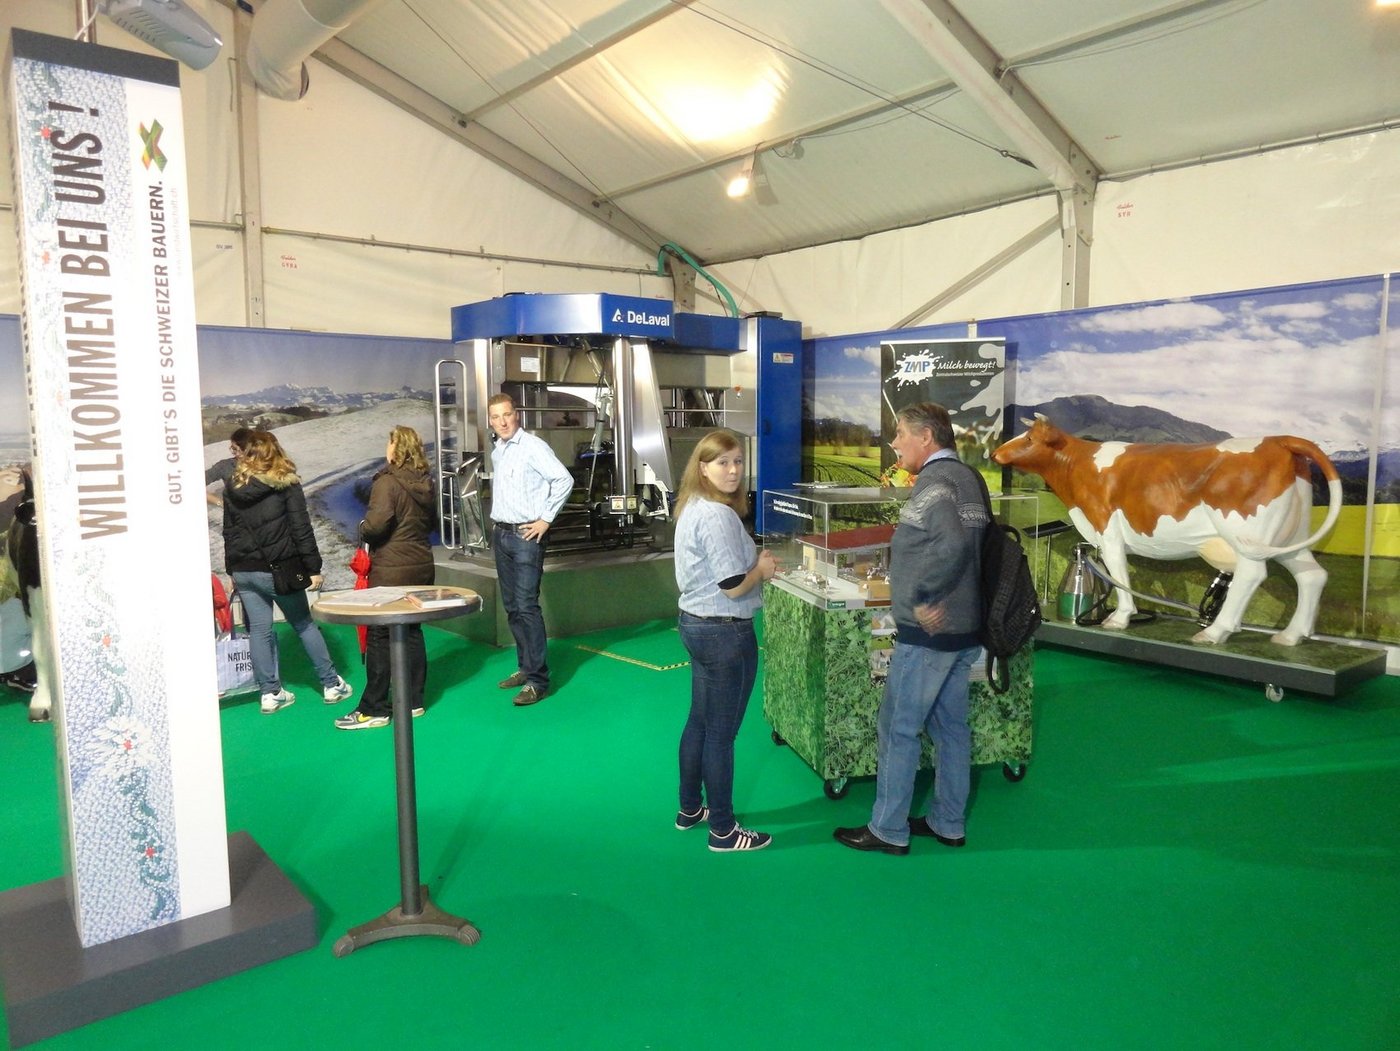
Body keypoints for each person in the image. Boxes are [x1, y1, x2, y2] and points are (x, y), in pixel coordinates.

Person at [835, 402, 988, 855]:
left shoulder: (936, 482)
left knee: (898, 728)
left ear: (926, 437)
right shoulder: (969, 479)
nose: (895, 443)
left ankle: (887, 829)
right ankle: (947, 822)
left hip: (931, 634)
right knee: (951, 729)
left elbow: (952, 546)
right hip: (965, 631)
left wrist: (923, 600)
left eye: (901, 434)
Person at [672, 429, 777, 853]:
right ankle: (723, 830)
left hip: (697, 626)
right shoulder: (717, 515)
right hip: (724, 631)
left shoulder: (695, 506)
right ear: (702, 468)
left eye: (737, 462)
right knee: (720, 734)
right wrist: (763, 570)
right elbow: (734, 585)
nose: (733, 471)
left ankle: (688, 809)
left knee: (699, 721)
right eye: (722, 463)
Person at [222, 430, 353, 714]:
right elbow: (301, 529)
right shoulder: (287, 485)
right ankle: (331, 684)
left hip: (245, 571)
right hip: (278, 569)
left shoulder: (233, 486)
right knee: (303, 624)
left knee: (259, 630)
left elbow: (229, 531)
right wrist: (313, 568)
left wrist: (233, 569)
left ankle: (270, 693)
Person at [336, 425, 436, 730]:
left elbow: (377, 526)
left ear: (396, 448)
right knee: (412, 632)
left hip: (391, 568)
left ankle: (374, 709)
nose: (386, 446)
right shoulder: (426, 483)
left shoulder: (387, 483)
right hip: (421, 565)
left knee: (380, 636)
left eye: (388, 441)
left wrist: (364, 526)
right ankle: (414, 701)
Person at [487, 392, 573, 707]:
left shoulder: (534, 447)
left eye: (506, 414)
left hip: (526, 536)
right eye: (496, 417)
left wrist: (545, 520)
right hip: (502, 535)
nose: (502, 422)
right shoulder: (499, 450)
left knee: (526, 606)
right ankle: (525, 668)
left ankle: (538, 681)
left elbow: (563, 480)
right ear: (491, 421)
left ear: (516, 415)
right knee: (512, 607)